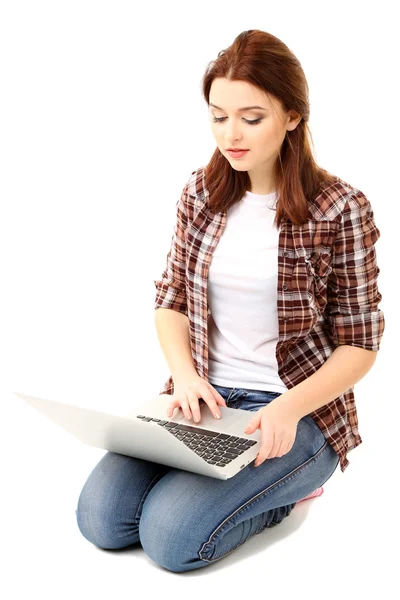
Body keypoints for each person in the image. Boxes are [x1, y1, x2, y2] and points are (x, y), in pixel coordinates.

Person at [75, 29, 385, 572]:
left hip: (295, 410)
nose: (230, 134)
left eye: (251, 116)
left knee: (171, 542)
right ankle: (217, 480)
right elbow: (170, 299)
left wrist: (286, 408)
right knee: (102, 520)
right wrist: (187, 376)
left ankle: (286, 496)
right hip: (206, 401)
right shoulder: (201, 193)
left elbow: (360, 344)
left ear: (292, 116)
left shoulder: (340, 208)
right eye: (218, 116)